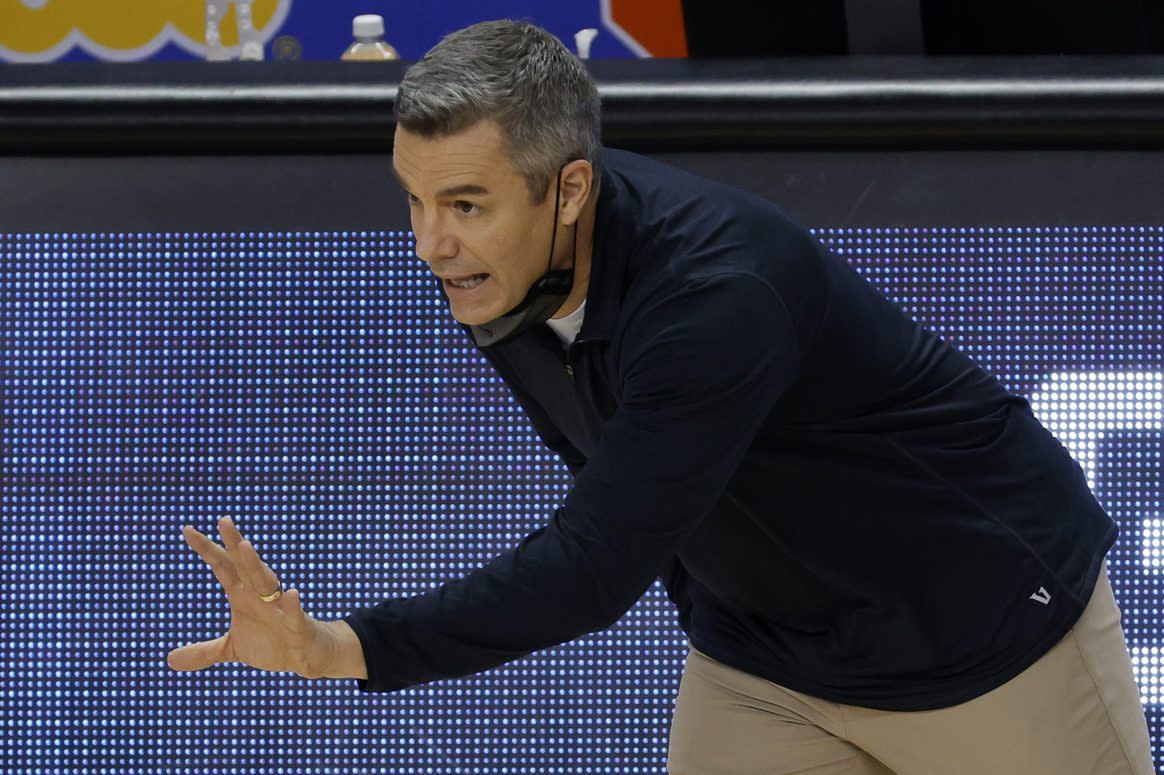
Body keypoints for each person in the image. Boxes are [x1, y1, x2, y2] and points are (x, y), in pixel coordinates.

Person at [167, 18, 1156, 775]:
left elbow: (595, 567)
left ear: (570, 190)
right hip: (767, 661)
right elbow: (605, 461)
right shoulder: (499, 272)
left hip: (986, 633)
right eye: (415, 200)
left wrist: (345, 647)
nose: (431, 242)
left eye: (465, 205)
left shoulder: (715, 299)